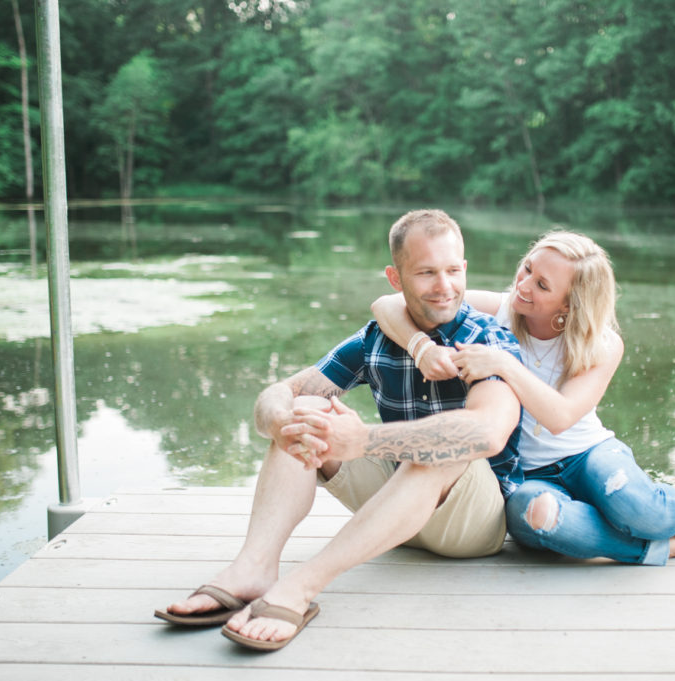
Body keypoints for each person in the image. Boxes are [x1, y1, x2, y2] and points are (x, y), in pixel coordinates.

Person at [155, 209, 524, 650]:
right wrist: (280, 421)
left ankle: (300, 588)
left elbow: (488, 432)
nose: (443, 286)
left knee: (444, 446)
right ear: (395, 277)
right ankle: (254, 569)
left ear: (465, 270)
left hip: (471, 525)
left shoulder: (490, 340)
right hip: (397, 510)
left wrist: (363, 439)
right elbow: (278, 393)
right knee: (307, 408)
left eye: (451, 271)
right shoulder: (376, 338)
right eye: (426, 272)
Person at [373, 230, 675, 566]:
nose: (523, 285)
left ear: (569, 305)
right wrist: (421, 347)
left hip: (588, 455)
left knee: (639, 511)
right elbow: (387, 303)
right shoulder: (498, 308)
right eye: (527, 268)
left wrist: (505, 364)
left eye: (541, 285)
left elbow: (560, 417)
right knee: (539, 523)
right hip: (524, 475)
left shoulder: (601, 344)